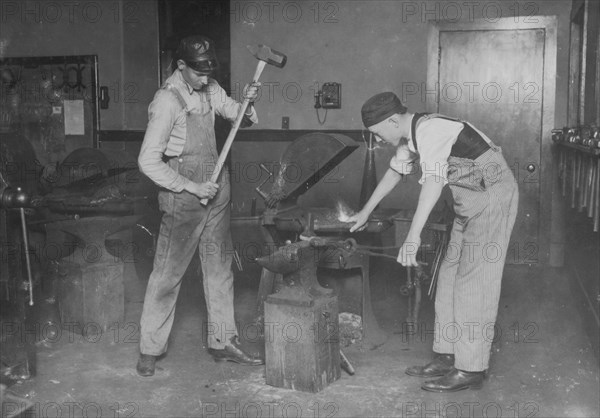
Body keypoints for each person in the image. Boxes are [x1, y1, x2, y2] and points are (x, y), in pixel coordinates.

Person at [349, 92, 518, 392]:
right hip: (468, 203)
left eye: (377, 133)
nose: (377, 139)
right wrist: (365, 211)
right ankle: (447, 355)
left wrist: (412, 238)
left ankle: (471, 368)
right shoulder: (409, 136)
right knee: (449, 276)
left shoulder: (431, 130)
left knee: (473, 283)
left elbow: (433, 184)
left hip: (492, 198)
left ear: (391, 120)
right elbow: (394, 172)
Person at [136, 35, 263, 377]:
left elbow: (237, 116)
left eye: (209, 70)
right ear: (180, 65)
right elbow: (147, 161)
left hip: (217, 184)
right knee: (168, 273)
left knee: (220, 266)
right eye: (198, 72)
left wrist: (247, 104)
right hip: (184, 194)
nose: (206, 78)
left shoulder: (209, 87)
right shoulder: (167, 100)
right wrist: (191, 186)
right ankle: (150, 348)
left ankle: (223, 341)